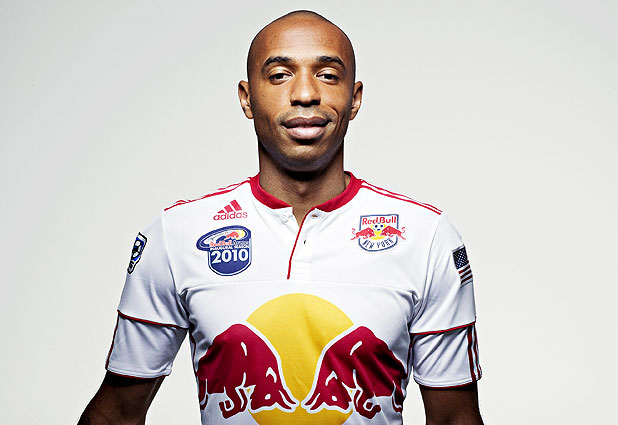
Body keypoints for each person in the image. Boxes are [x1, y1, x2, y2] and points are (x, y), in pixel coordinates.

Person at [79, 10, 483, 425]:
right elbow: (117, 415)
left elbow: (455, 420)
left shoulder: (425, 237)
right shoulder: (176, 234)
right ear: (247, 98)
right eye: (279, 75)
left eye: (328, 75)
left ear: (355, 98)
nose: (305, 93)